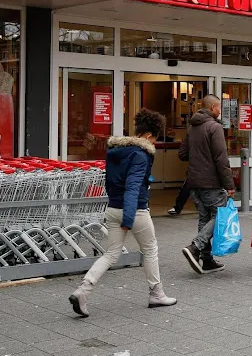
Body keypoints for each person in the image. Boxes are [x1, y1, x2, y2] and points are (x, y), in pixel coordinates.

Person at [69, 108, 177, 316]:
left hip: (113, 208)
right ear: (147, 136)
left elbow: (110, 182)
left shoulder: (114, 152)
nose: (153, 144)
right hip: (134, 211)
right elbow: (133, 186)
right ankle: (156, 293)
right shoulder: (140, 155)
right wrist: (128, 217)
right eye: (154, 139)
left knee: (110, 254)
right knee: (150, 250)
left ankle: (83, 290)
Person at [179, 95, 235, 274]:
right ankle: (195, 247)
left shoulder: (192, 127)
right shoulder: (214, 127)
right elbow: (221, 158)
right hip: (211, 181)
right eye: (219, 107)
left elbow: (182, 154)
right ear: (212, 107)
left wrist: (198, 156)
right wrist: (229, 184)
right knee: (220, 215)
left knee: (204, 218)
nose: (220, 111)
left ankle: (206, 260)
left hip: (194, 181)